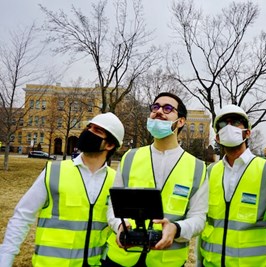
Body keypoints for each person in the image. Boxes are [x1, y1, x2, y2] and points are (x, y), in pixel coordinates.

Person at [0, 112, 125, 267]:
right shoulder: (54, 171)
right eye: (89, 127)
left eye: (97, 131)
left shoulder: (115, 181)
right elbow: (22, 216)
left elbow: (118, 222)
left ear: (110, 145)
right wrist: (6, 257)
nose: (88, 132)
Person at [103, 92, 208, 267]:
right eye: (155, 107)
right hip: (122, 257)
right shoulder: (130, 157)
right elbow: (113, 206)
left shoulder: (197, 167)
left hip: (166, 261)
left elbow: (198, 218)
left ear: (180, 121)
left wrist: (176, 229)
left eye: (168, 108)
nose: (159, 111)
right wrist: (119, 226)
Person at [198, 104, 266, 266]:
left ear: (247, 133)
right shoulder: (210, 172)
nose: (229, 127)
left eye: (235, 122)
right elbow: (205, 223)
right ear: (217, 137)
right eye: (223, 124)